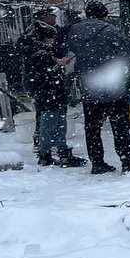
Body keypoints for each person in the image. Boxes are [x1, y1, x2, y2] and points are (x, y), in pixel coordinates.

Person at [64, 0, 130, 174]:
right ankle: (126, 159)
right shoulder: (111, 31)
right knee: (120, 125)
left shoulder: (74, 32)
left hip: (89, 86)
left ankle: (97, 162)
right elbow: (129, 57)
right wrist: (129, 81)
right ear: (104, 14)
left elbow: (68, 54)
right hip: (113, 86)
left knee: (92, 127)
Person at [27, 22, 86, 168]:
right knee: (51, 124)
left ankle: (60, 151)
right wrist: (58, 63)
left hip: (52, 95)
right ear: (47, 38)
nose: (53, 41)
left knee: (59, 123)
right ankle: (46, 153)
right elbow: (45, 71)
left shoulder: (42, 52)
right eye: (52, 38)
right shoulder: (40, 53)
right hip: (49, 95)